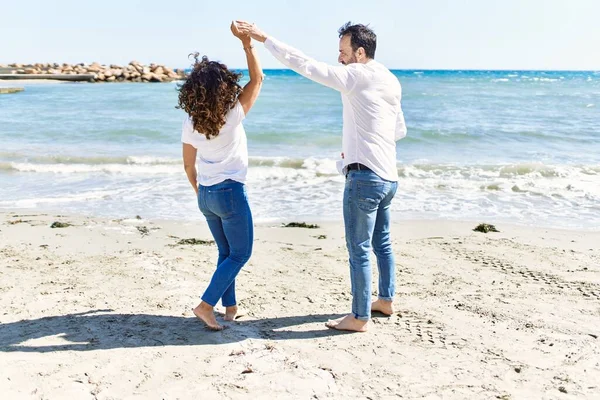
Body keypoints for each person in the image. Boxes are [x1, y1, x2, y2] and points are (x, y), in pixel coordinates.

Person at [236, 20, 407, 332]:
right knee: (381, 241)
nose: (338, 57)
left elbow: (305, 65)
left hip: (366, 178)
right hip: (389, 177)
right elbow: (399, 130)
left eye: (342, 51)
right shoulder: (391, 79)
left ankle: (359, 317)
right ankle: (386, 299)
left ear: (359, 52)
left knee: (359, 248)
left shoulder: (355, 75)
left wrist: (264, 39)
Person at [178, 22, 263, 331]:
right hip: (230, 193)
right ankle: (205, 305)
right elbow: (258, 79)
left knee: (226, 252)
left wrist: (200, 191)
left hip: (206, 195)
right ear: (224, 87)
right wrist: (247, 44)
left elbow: (189, 166)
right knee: (241, 253)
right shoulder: (232, 115)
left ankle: (230, 307)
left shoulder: (190, 123)